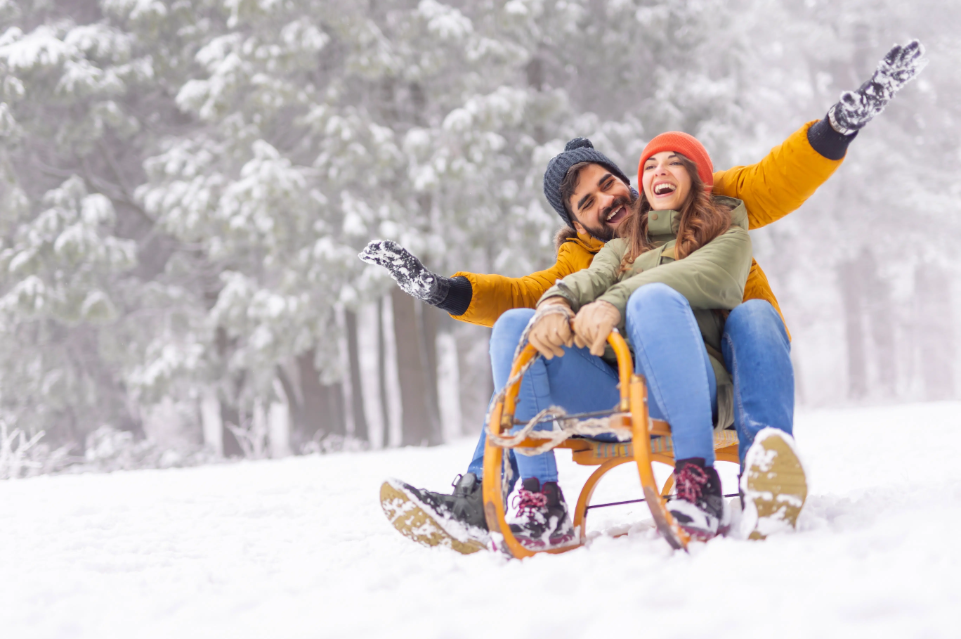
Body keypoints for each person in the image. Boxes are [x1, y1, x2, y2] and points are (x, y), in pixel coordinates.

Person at [367, 41, 927, 551]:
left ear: (631, 180)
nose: (604, 202)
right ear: (580, 225)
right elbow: (529, 293)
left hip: (721, 363)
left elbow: (779, 175)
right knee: (521, 328)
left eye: (608, 184)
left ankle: (762, 467)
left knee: (746, 314)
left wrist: (837, 127)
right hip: (620, 381)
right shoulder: (595, 254)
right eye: (586, 204)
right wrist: (445, 291)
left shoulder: (712, 208)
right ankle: (502, 497)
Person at [495, 132, 751, 546]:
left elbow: (714, 278)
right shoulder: (620, 248)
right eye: (651, 165)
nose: (661, 173)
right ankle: (541, 499)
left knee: (652, 299)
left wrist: (615, 301)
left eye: (673, 164)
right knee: (513, 326)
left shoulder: (725, 232)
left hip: (687, 390)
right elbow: (587, 278)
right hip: (619, 396)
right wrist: (555, 303)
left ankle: (696, 481)